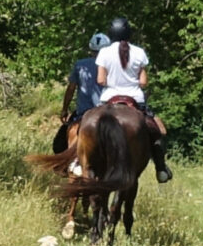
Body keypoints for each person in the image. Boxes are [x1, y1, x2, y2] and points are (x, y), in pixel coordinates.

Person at [94, 17, 172, 183]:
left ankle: (78, 160)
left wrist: (113, 83)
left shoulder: (104, 52)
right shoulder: (139, 52)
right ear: (129, 33)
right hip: (134, 98)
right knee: (157, 131)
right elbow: (143, 82)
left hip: (108, 98)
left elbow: (100, 80)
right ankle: (160, 168)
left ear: (111, 34)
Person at [54, 32, 109, 152]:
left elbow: (71, 89)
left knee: (59, 145)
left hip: (83, 113)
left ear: (91, 49)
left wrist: (64, 110)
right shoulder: (111, 66)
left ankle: (68, 161)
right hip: (107, 112)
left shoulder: (80, 65)